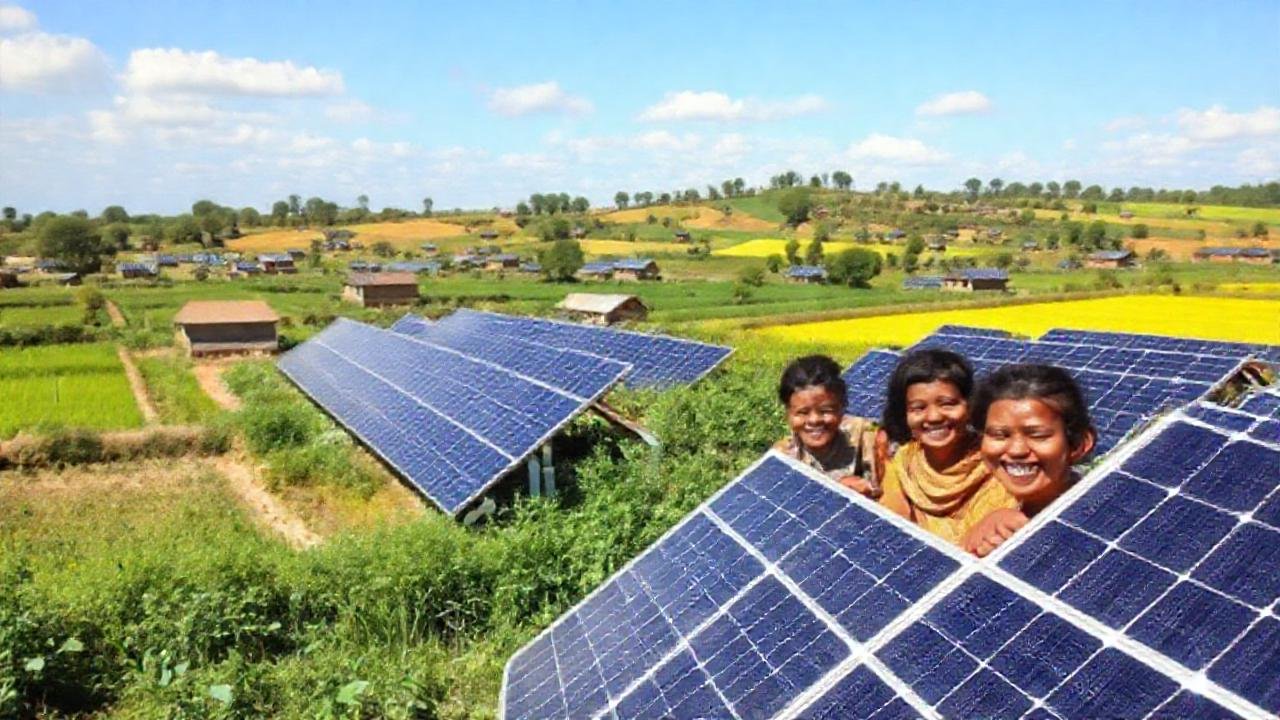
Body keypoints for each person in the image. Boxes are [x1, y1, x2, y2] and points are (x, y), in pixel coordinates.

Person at [878, 349, 1017, 546]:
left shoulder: (997, 465)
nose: (934, 417)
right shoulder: (903, 462)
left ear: (969, 406)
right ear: (905, 414)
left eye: (947, 404)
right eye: (918, 408)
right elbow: (891, 535)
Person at [961, 364, 1096, 557]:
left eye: (1038, 435)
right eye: (999, 435)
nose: (1016, 450)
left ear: (1079, 444)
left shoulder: (1102, 520)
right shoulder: (991, 516)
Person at [774, 355, 880, 496]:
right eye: (802, 412)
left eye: (825, 411)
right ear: (788, 413)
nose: (814, 420)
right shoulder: (782, 458)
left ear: (842, 407)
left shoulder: (869, 436)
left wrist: (867, 488)